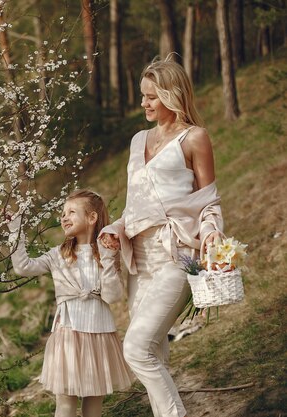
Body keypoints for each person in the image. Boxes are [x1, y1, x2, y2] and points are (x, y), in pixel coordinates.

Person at [99, 55, 224, 417]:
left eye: (151, 96)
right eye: (142, 95)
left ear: (172, 95)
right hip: (139, 258)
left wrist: (212, 233)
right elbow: (135, 205)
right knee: (154, 353)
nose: (144, 103)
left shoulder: (195, 138)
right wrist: (115, 228)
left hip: (177, 254)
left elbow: (208, 201)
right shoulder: (138, 140)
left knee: (136, 348)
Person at [8, 189, 133, 417]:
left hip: (100, 334)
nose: (64, 217)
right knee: (65, 403)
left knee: (93, 404)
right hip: (68, 333)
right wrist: (15, 230)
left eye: (71, 212)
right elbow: (22, 267)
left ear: (92, 217)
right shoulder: (58, 255)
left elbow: (113, 296)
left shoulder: (106, 252)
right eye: (63, 213)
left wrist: (107, 257)